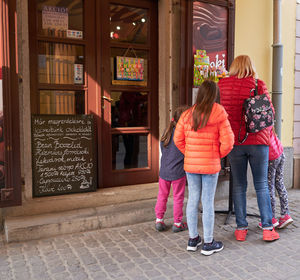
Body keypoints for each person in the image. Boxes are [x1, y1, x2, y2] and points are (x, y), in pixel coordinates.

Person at [218, 55, 280, 242]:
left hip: (235, 142)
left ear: (234, 67)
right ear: (250, 67)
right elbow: (271, 112)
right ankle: (268, 229)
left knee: (238, 184)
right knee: (261, 184)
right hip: (258, 141)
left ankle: (241, 229)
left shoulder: (222, 85)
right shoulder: (258, 84)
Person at [174, 80, 234, 256]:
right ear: (214, 94)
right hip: (210, 165)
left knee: (192, 200)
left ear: (199, 94)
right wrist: (217, 154)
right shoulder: (219, 111)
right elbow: (229, 141)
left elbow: (178, 139)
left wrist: (190, 153)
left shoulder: (187, 114)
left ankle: (193, 239)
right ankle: (208, 242)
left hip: (191, 165)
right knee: (207, 202)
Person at [155, 105, 190, 233]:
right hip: (178, 172)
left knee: (162, 195)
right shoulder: (183, 135)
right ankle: (177, 223)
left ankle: (159, 219)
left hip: (164, 171)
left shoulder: (166, 131)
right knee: (178, 197)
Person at [258, 128, 293, 229]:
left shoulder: (259, 127)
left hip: (271, 158)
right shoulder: (268, 123)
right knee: (280, 183)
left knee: (269, 187)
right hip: (280, 153)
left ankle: (271, 218)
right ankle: (285, 214)